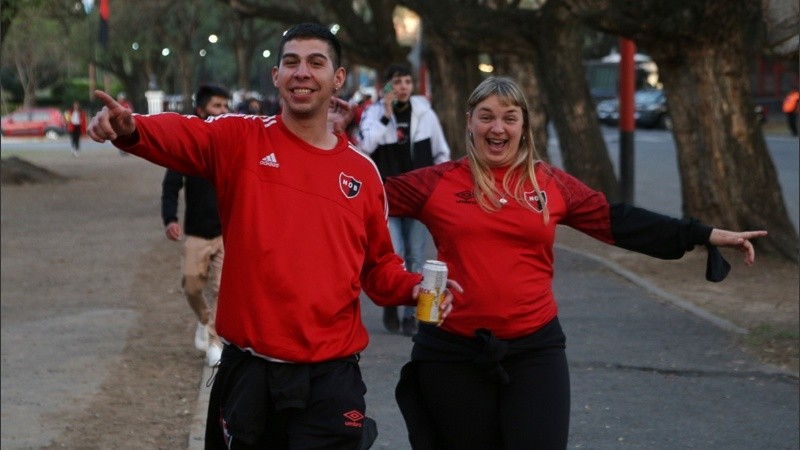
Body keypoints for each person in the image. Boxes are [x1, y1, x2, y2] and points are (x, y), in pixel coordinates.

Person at [87, 23, 458, 450]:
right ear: (276, 76)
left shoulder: (362, 173)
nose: (302, 72)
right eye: (292, 62)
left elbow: (377, 267)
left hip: (330, 380)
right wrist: (131, 128)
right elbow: (183, 133)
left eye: (316, 63)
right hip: (249, 374)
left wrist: (414, 287)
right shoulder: (240, 138)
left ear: (338, 77)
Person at [385, 76, 768, 450]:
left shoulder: (549, 182)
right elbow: (365, 196)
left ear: (524, 125)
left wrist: (701, 234)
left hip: (534, 350)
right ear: (469, 121)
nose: (497, 128)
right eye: (486, 116)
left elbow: (616, 220)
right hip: (453, 352)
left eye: (509, 118)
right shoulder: (437, 182)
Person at [358, 64, 451, 336]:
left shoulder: (425, 114)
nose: (403, 87)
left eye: (408, 82)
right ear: (387, 86)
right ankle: (391, 302)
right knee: (394, 254)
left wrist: (437, 189)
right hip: (386, 198)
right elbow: (364, 147)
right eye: (397, 82)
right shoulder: (373, 114)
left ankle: (411, 314)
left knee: (415, 255)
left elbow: (441, 152)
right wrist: (386, 116)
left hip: (418, 199)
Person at [161, 84, 231, 368]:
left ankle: (215, 342)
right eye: (217, 106)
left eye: (225, 106)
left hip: (227, 233)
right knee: (191, 286)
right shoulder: (188, 147)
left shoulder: (235, 142)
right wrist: (170, 219)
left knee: (222, 289)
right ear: (201, 110)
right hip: (197, 233)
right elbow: (170, 186)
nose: (223, 111)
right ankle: (204, 320)